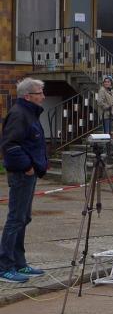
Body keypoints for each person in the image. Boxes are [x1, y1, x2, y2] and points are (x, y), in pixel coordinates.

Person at [0, 78, 49, 283]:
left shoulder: (30, 113)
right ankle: (4, 266)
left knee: (23, 218)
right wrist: (27, 167)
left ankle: (19, 262)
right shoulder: (19, 114)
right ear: (28, 96)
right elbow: (10, 145)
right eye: (40, 93)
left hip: (29, 174)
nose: (43, 96)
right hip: (22, 174)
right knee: (15, 219)